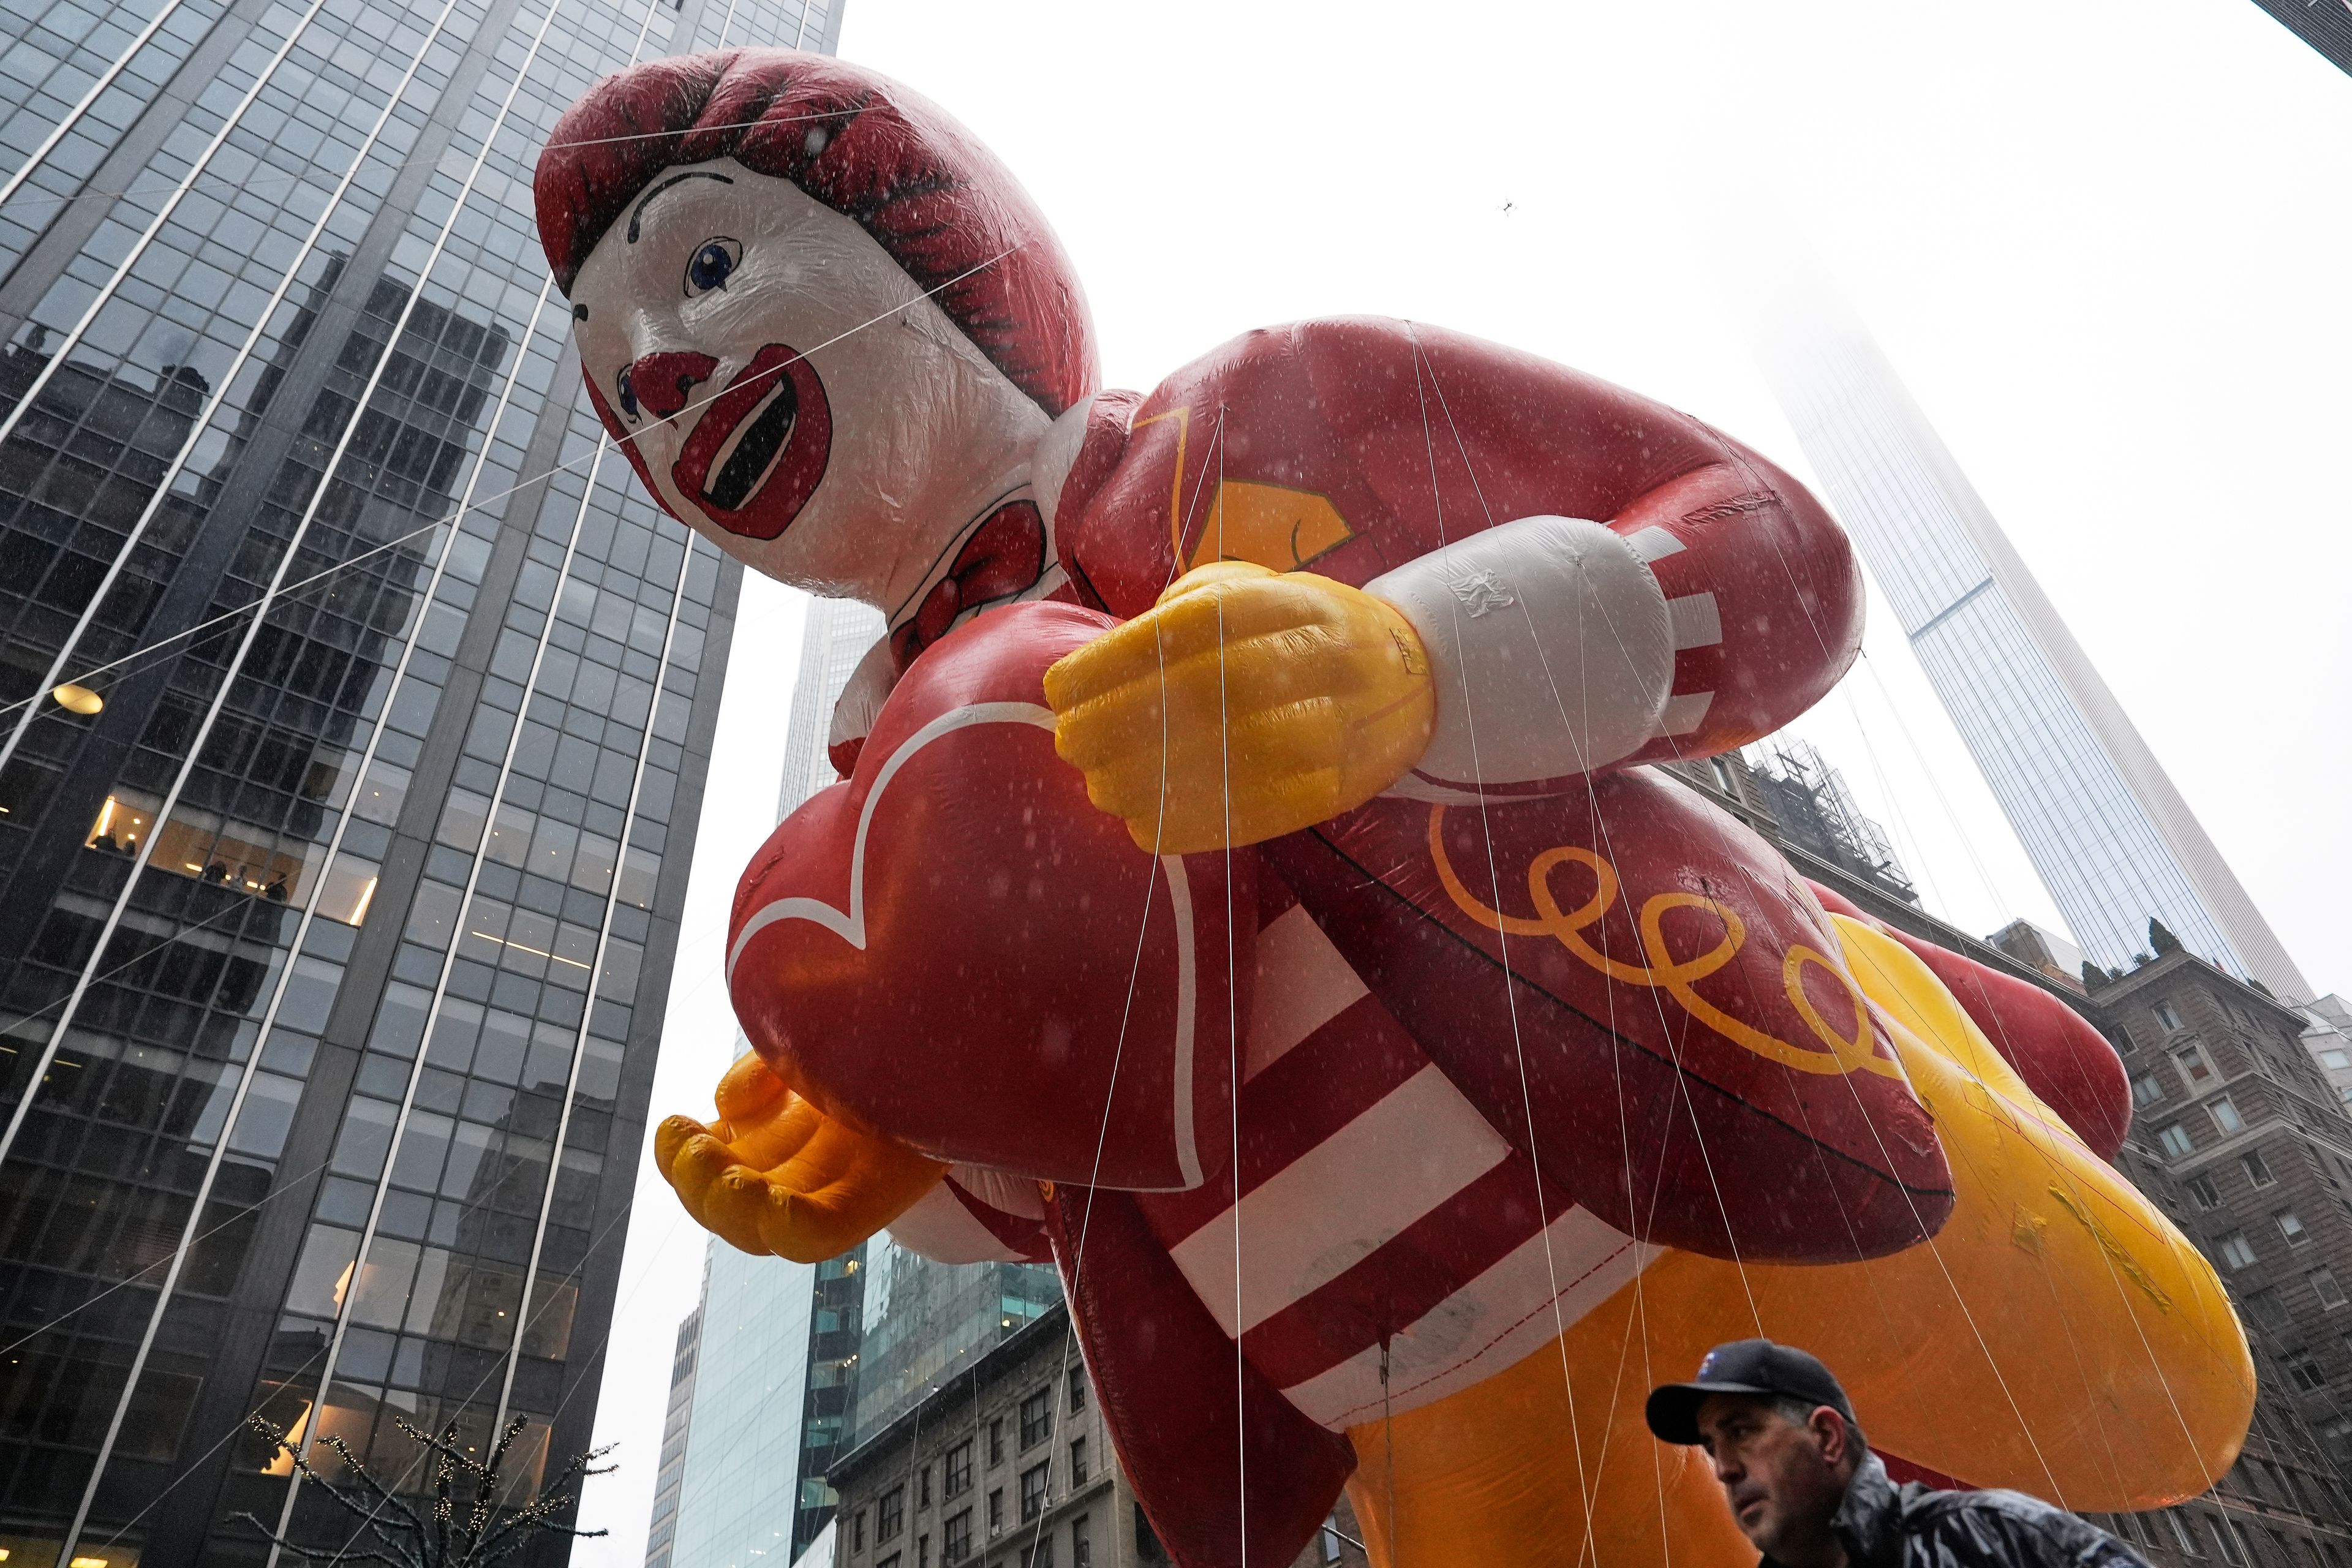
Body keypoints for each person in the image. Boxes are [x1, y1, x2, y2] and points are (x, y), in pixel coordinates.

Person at [1647, 1339, 2152, 1567]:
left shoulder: (1996, 1538)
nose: (1725, 1468)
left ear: (1827, 1438)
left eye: (1742, 1432)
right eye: (1712, 1447)